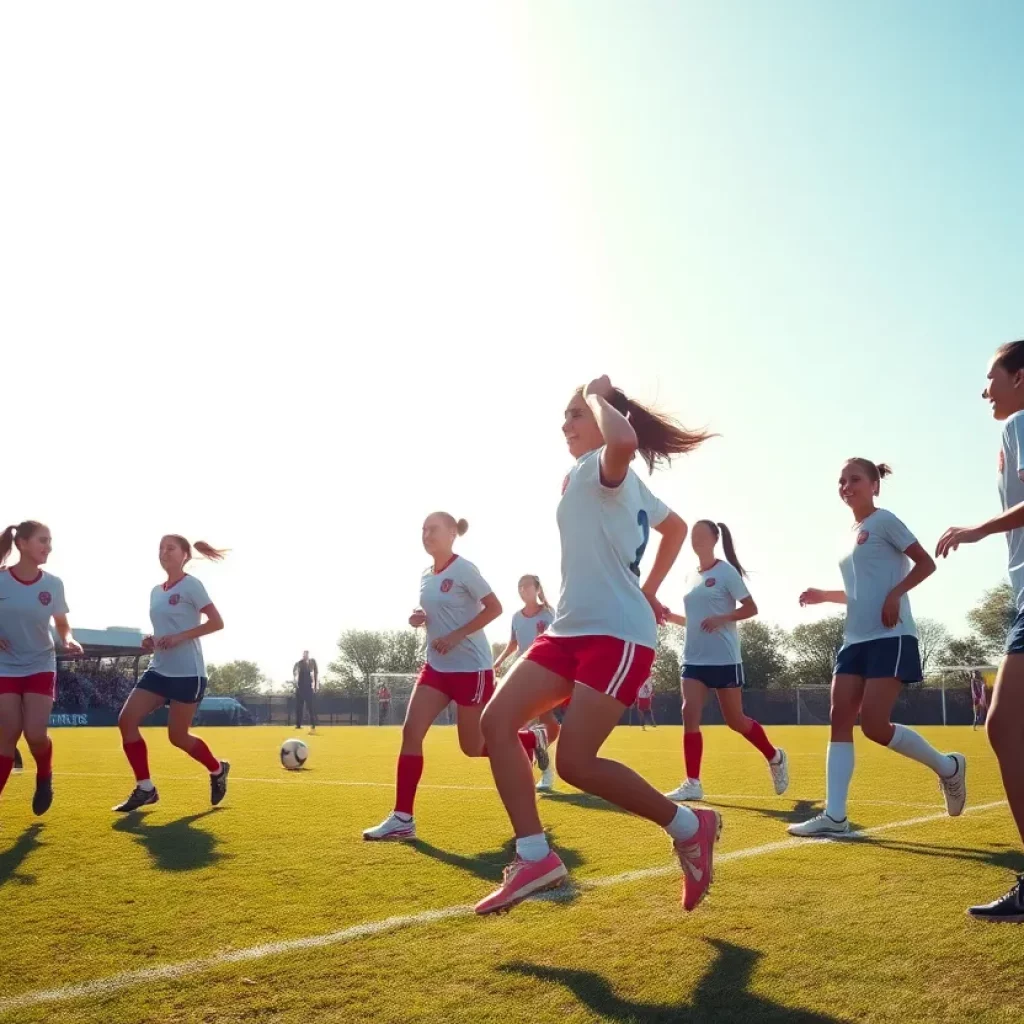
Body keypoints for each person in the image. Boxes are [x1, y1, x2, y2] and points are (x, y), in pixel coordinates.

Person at [476, 375, 720, 915]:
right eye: (566, 414)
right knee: (496, 723)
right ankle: (535, 857)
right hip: (568, 629)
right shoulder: (591, 472)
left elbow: (628, 446)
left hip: (616, 632)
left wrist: (595, 394)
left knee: (576, 763)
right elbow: (676, 528)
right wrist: (650, 587)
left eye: (576, 413)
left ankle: (689, 825)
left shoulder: (609, 464)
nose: (566, 423)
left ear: (602, 415)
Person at [789, 459, 965, 838]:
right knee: (839, 717)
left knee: (873, 725)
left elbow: (926, 564)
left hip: (891, 636)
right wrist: (824, 595)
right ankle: (835, 816)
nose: (846, 486)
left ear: (875, 486)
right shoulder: (847, 536)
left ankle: (948, 767)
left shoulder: (884, 521)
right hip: (854, 640)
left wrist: (895, 594)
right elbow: (859, 591)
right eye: (841, 481)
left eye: (854, 479)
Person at [363, 514, 542, 840]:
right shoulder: (425, 575)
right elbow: (437, 612)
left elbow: (495, 607)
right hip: (436, 667)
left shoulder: (464, 569)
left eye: (433, 529)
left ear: (451, 534)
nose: (426, 534)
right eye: (423, 529)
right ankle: (403, 818)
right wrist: (420, 617)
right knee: (411, 731)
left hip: (471, 669)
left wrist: (458, 635)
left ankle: (527, 741)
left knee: (472, 747)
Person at [936, 338, 1024, 921]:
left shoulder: (1020, 423)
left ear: (1020, 377)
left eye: (992, 376)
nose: (984, 389)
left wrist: (976, 530)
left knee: (1003, 725)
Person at [664, 521, 788, 800]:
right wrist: (670, 617)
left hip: (724, 659)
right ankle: (693, 783)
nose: (696, 539)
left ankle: (775, 757)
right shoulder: (690, 576)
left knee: (735, 721)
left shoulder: (726, 572)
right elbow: (695, 621)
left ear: (714, 538)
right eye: (693, 535)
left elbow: (751, 608)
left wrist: (723, 618)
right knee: (688, 712)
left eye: (701, 534)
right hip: (693, 659)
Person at [112, 535, 230, 812]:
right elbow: (165, 629)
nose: (164, 552)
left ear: (185, 555)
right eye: (161, 548)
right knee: (126, 721)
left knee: (177, 737)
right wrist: (151, 640)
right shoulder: (156, 591)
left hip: (188, 673)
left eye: (170, 548)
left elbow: (217, 622)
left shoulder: (192, 585)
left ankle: (217, 769)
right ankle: (145, 788)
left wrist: (179, 637)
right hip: (159, 669)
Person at [0, 521, 82, 816]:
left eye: (49, 541)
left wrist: (68, 639)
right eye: (42, 541)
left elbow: (61, 623)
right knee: (8, 733)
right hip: (5, 667)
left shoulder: (53, 584)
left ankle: (44, 775)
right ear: (21, 543)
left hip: (40, 663)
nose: (48, 547)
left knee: (35, 734)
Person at [494, 575, 560, 790]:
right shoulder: (516, 617)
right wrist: (499, 662)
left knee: (543, 722)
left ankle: (542, 766)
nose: (523, 590)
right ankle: (535, 767)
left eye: (526, 586)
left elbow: (560, 640)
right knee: (523, 723)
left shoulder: (549, 613)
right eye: (519, 587)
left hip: (546, 673)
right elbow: (513, 644)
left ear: (537, 589)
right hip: (522, 672)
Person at [293, 650, 319, 733]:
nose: (305, 656)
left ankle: (313, 725)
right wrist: (296, 683)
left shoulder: (312, 662)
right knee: (299, 707)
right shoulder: (299, 663)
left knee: (311, 707)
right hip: (300, 687)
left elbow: (316, 673)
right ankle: (298, 725)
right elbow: (295, 672)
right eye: (304, 655)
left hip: (308, 687)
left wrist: (315, 686)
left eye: (306, 655)